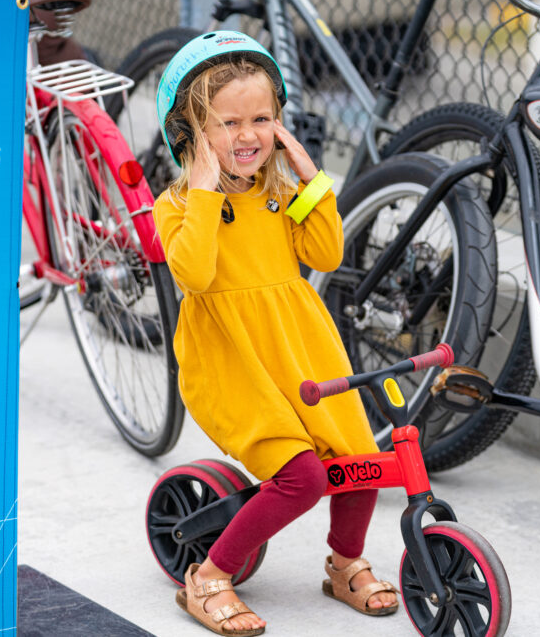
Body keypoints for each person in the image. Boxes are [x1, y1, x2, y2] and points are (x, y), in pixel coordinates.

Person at [152, 31, 399, 636]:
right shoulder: (178, 205)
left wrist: (310, 178)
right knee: (303, 477)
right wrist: (208, 191)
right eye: (228, 122)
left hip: (299, 348)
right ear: (190, 133)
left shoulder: (281, 195)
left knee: (362, 460)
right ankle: (209, 576)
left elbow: (327, 250)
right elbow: (195, 272)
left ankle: (344, 564)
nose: (247, 135)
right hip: (231, 360)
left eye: (262, 119)